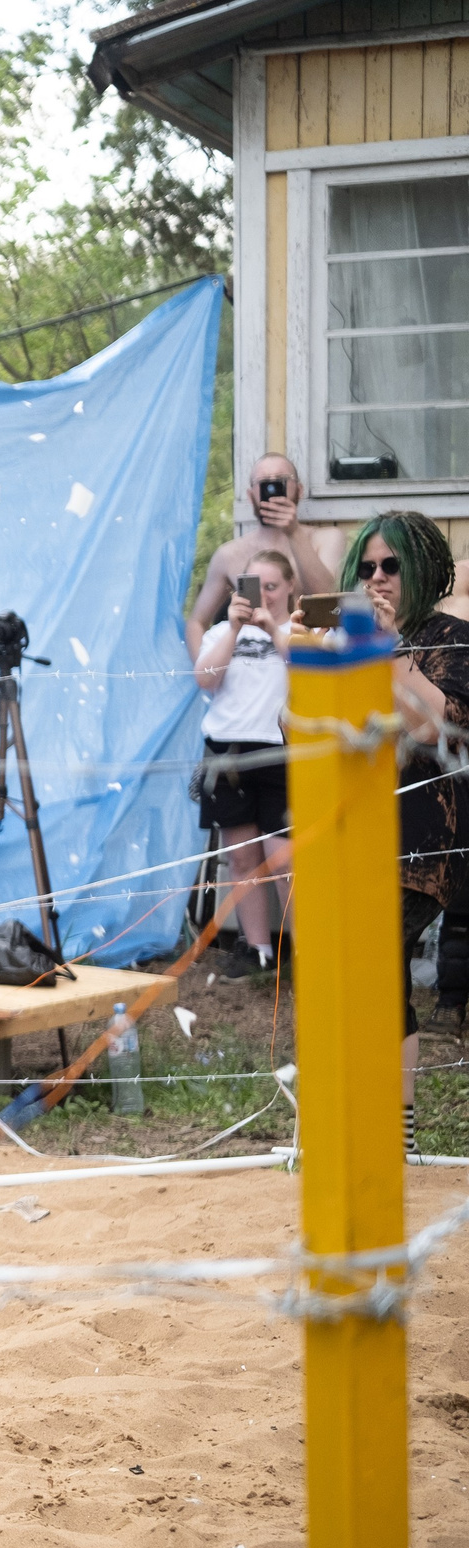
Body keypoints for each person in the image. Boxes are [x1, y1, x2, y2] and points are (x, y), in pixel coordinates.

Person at [349, 510, 469, 1156]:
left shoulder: (452, 637)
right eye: (366, 566)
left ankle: (386, 1130)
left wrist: (392, 649)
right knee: (375, 971)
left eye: (390, 565)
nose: (377, 578)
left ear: (420, 566)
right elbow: (291, 724)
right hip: (352, 835)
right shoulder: (348, 637)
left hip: (422, 841)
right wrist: (306, 652)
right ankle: (391, 1133)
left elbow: (434, 726)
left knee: (370, 957)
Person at [192, 547, 296, 974]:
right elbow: (205, 680)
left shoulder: (299, 631)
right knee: (241, 858)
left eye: (272, 586)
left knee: (286, 860)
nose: (263, 595)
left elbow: (309, 672)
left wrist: (271, 627)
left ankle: (307, 952)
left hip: (282, 750)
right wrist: (235, 629)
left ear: (289, 587)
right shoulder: (221, 633)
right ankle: (258, 950)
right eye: (254, 587)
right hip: (228, 751)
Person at [184, 453, 344, 661]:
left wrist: (294, 532)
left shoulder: (327, 538)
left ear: (299, 490)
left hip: (308, 665)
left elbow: (330, 603)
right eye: (264, 483)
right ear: (251, 495)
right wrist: (207, 673)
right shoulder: (229, 554)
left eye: (281, 481)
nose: (272, 489)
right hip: (252, 667)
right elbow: (196, 622)